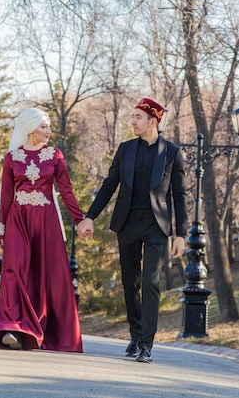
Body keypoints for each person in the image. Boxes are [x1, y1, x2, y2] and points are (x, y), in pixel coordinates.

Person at [77, 97, 188, 363]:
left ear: (153, 121)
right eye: (133, 116)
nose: (133, 121)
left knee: (150, 282)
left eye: (138, 117)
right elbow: (109, 185)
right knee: (130, 284)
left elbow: (179, 195)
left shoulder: (172, 152)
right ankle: (136, 335)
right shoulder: (125, 149)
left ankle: (147, 344)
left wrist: (181, 234)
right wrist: (89, 216)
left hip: (156, 226)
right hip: (127, 223)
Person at [0, 107, 84, 353]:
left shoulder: (55, 156)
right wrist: (1, 229)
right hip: (18, 219)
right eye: (44, 126)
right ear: (30, 128)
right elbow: (7, 196)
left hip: (46, 221)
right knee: (15, 269)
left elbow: (66, 191)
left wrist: (79, 220)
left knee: (45, 274)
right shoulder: (11, 158)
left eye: (49, 126)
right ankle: (12, 327)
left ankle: (39, 330)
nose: (49, 131)